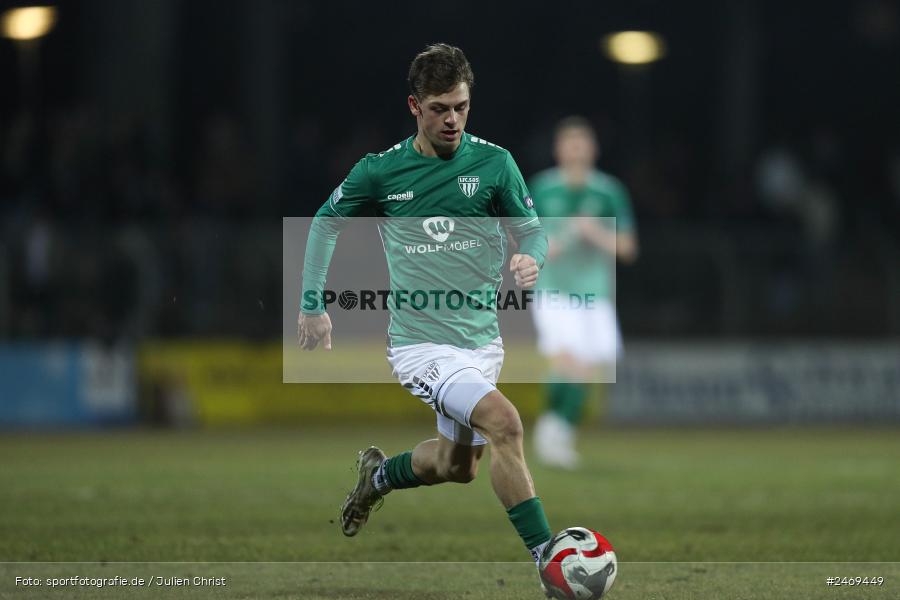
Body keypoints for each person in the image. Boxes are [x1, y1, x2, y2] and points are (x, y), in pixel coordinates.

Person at [297, 44, 556, 570]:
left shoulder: (494, 164)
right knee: (505, 423)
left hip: (482, 342)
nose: (453, 119)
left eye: (461, 106)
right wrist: (312, 304)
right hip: (420, 345)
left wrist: (532, 257)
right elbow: (326, 221)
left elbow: (531, 230)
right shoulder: (381, 171)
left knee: (457, 467)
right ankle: (548, 557)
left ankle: (378, 477)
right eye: (440, 108)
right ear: (414, 106)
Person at [529, 116, 638, 469]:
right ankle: (551, 432)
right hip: (555, 291)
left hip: (595, 293)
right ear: (559, 149)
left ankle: (558, 428)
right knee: (568, 358)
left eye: (582, 143)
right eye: (569, 143)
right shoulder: (542, 188)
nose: (576, 150)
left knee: (588, 368)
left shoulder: (609, 192)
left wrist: (596, 234)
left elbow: (628, 249)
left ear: (593, 149)